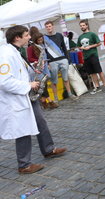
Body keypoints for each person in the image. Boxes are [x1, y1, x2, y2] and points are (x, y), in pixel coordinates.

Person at [0, 25, 67, 174]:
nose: (30, 37)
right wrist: (28, 84)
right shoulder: (5, 54)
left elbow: (20, 71)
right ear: (17, 38)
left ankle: (48, 149)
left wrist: (34, 68)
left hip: (26, 96)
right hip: (17, 98)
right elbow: (4, 81)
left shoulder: (16, 51)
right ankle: (24, 165)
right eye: (26, 35)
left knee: (40, 121)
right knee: (23, 129)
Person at [43, 21, 77, 101]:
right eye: (47, 26)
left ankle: (70, 94)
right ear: (45, 28)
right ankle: (55, 98)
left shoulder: (59, 35)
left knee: (66, 78)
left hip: (62, 59)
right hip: (52, 61)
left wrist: (67, 59)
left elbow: (64, 47)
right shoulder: (44, 38)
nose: (49, 28)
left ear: (53, 26)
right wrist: (47, 63)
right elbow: (44, 51)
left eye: (50, 26)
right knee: (54, 81)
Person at [77, 20, 105, 94]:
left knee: (99, 71)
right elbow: (79, 46)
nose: (82, 27)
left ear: (87, 25)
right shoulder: (80, 37)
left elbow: (99, 43)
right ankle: (97, 87)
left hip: (93, 55)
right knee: (92, 73)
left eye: (83, 25)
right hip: (86, 57)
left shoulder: (92, 34)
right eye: (81, 26)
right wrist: (82, 48)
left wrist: (90, 46)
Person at [27, 33, 56, 109]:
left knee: (44, 85)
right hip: (36, 68)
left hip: (44, 67)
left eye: (41, 39)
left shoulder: (42, 46)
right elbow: (30, 58)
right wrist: (39, 61)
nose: (40, 41)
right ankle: (50, 101)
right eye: (39, 40)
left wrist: (47, 63)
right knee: (42, 85)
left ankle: (43, 101)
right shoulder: (30, 48)